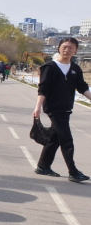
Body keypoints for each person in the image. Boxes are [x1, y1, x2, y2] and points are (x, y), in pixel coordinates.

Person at [32, 37, 91, 182]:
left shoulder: (75, 68)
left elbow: (82, 87)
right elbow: (43, 89)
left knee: (56, 138)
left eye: (71, 48)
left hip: (66, 108)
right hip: (53, 108)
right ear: (59, 48)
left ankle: (43, 166)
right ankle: (73, 171)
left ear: (76, 50)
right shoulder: (50, 67)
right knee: (67, 140)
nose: (67, 50)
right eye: (64, 47)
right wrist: (37, 107)